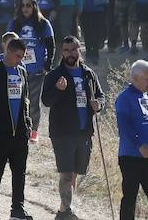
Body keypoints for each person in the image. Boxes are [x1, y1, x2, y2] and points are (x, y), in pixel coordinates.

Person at [42, 37, 104, 220]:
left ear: (79, 50)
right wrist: (58, 90)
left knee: (75, 174)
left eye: (73, 50)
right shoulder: (54, 75)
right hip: (62, 133)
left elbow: (101, 96)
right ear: (62, 52)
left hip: (84, 132)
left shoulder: (88, 74)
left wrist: (98, 105)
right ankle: (68, 211)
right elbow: (46, 101)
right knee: (66, 174)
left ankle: (62, 211)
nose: (70, 54)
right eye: (66, 50)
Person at [0, 38, 33, 220]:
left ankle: (17, 209)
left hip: (20, 132)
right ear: (9, 52)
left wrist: (27, 123)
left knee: (19, 171)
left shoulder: (21, 72)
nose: (20, 60)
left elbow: (26, 99)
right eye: (18, 56)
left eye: (22, 57)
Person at [115, 60, 148, 220]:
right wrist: (139, 145)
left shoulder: (145, 96)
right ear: (135, 78)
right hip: (131, 156)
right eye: (147, 79)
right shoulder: (124, 98)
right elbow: (124, 126)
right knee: (130, 198)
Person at [8, 0, 55, 144]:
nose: (25, 8)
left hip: (37, 70)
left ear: (34, 6)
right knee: (16, 100)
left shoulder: (43, 24)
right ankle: (17, 127)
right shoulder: (15, 23)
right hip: (17, 69)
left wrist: (47, 65)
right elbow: (8, 43)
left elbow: (51, 45)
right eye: (23, 5)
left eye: (29, 5)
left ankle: (33, 130)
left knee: (33, 101)